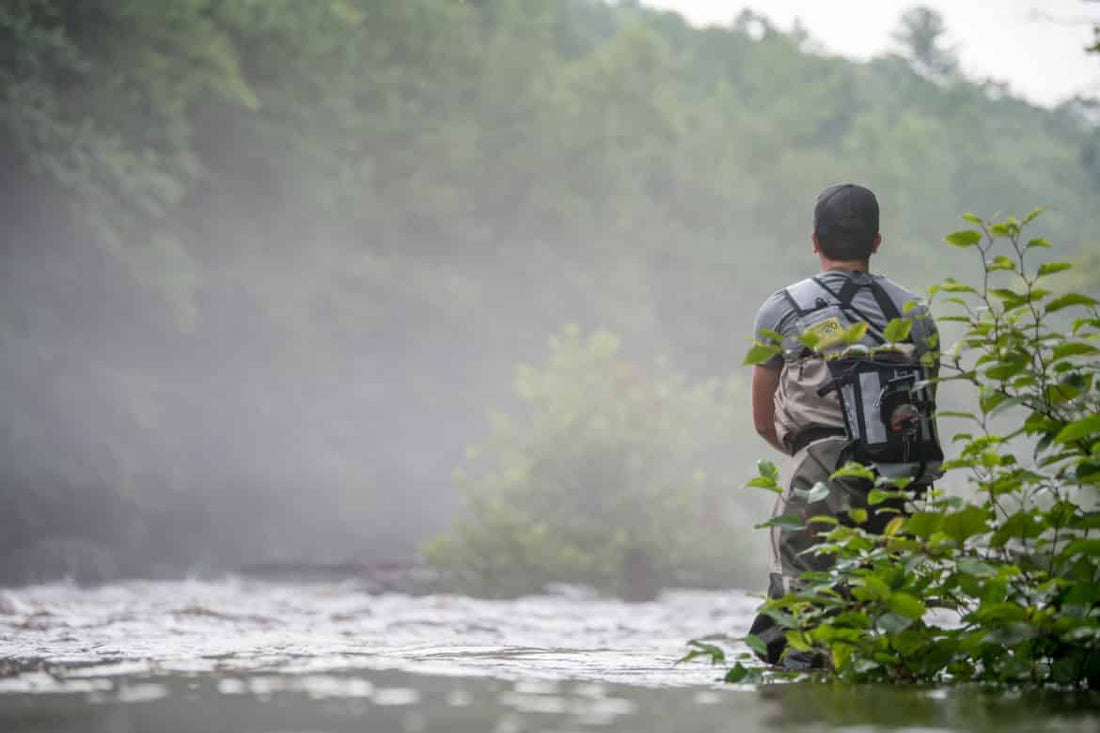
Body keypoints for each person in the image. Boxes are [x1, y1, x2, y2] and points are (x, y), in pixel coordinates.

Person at [745, 183, 941, 668]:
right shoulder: (914, 312)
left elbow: (763, 421)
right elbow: (925, 398)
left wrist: (809, 456)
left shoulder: (784, 309)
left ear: (814, 240)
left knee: (800, 623)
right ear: (877, 242)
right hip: (897, 480)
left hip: (817, 475)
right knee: (886, 618)